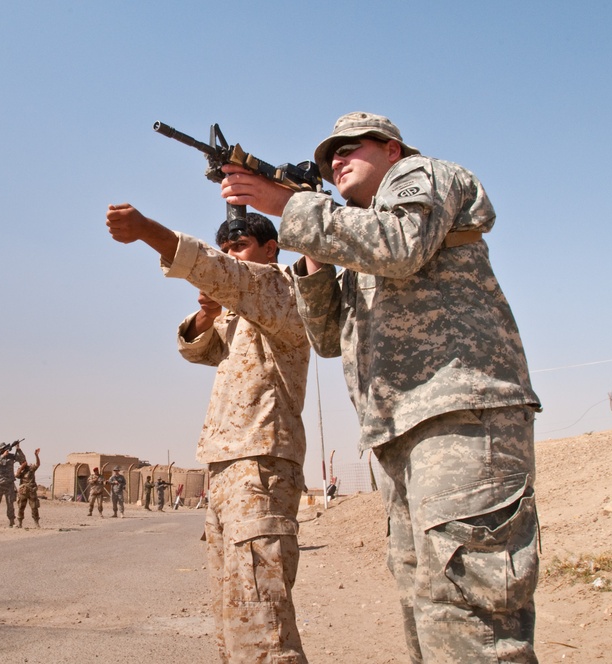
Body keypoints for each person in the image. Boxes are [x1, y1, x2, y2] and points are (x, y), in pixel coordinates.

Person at [221, 111, 541, 663]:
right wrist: (315, 251)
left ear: (391, 149)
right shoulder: (353, 231)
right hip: (396, 431)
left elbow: (402, 247)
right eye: (328, 156)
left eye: (351, 147)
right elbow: (325, 337)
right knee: (427, 608)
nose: (337, 159)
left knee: (470, 616)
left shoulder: (422, 178)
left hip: (460, 414)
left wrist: (289, 207)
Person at [106, 203, 311, 662]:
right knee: (232, 616)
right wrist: (207, 312)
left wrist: (149, 232)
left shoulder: (282, 289)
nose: (230, 256)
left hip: (260, 464)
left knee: (262, 619)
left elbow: (225, 274)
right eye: (225, 249)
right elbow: (197, 349)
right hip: (225, 466)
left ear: (271, 249)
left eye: (240, 247)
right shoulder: (239, 311)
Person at [0, 442, 25, 528]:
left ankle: (12, 522)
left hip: (9, 483)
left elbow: (22, 459)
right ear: (0, 450)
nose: (5, 450)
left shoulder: (11, 456)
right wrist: (2, 456)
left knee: (10, 503)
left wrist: (18, 449)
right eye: (3, 449)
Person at [15, 447, 42, 528]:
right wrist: (21, 468)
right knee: (21, 507)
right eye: (22, 462)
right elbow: (16, 475)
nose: (23, 462)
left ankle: (36, 523)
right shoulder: (20, 470)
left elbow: (37, 464)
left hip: (31, 491)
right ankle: (20, 523)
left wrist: (36, 455)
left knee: (34, 507)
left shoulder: (31, 468)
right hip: (23, 491)